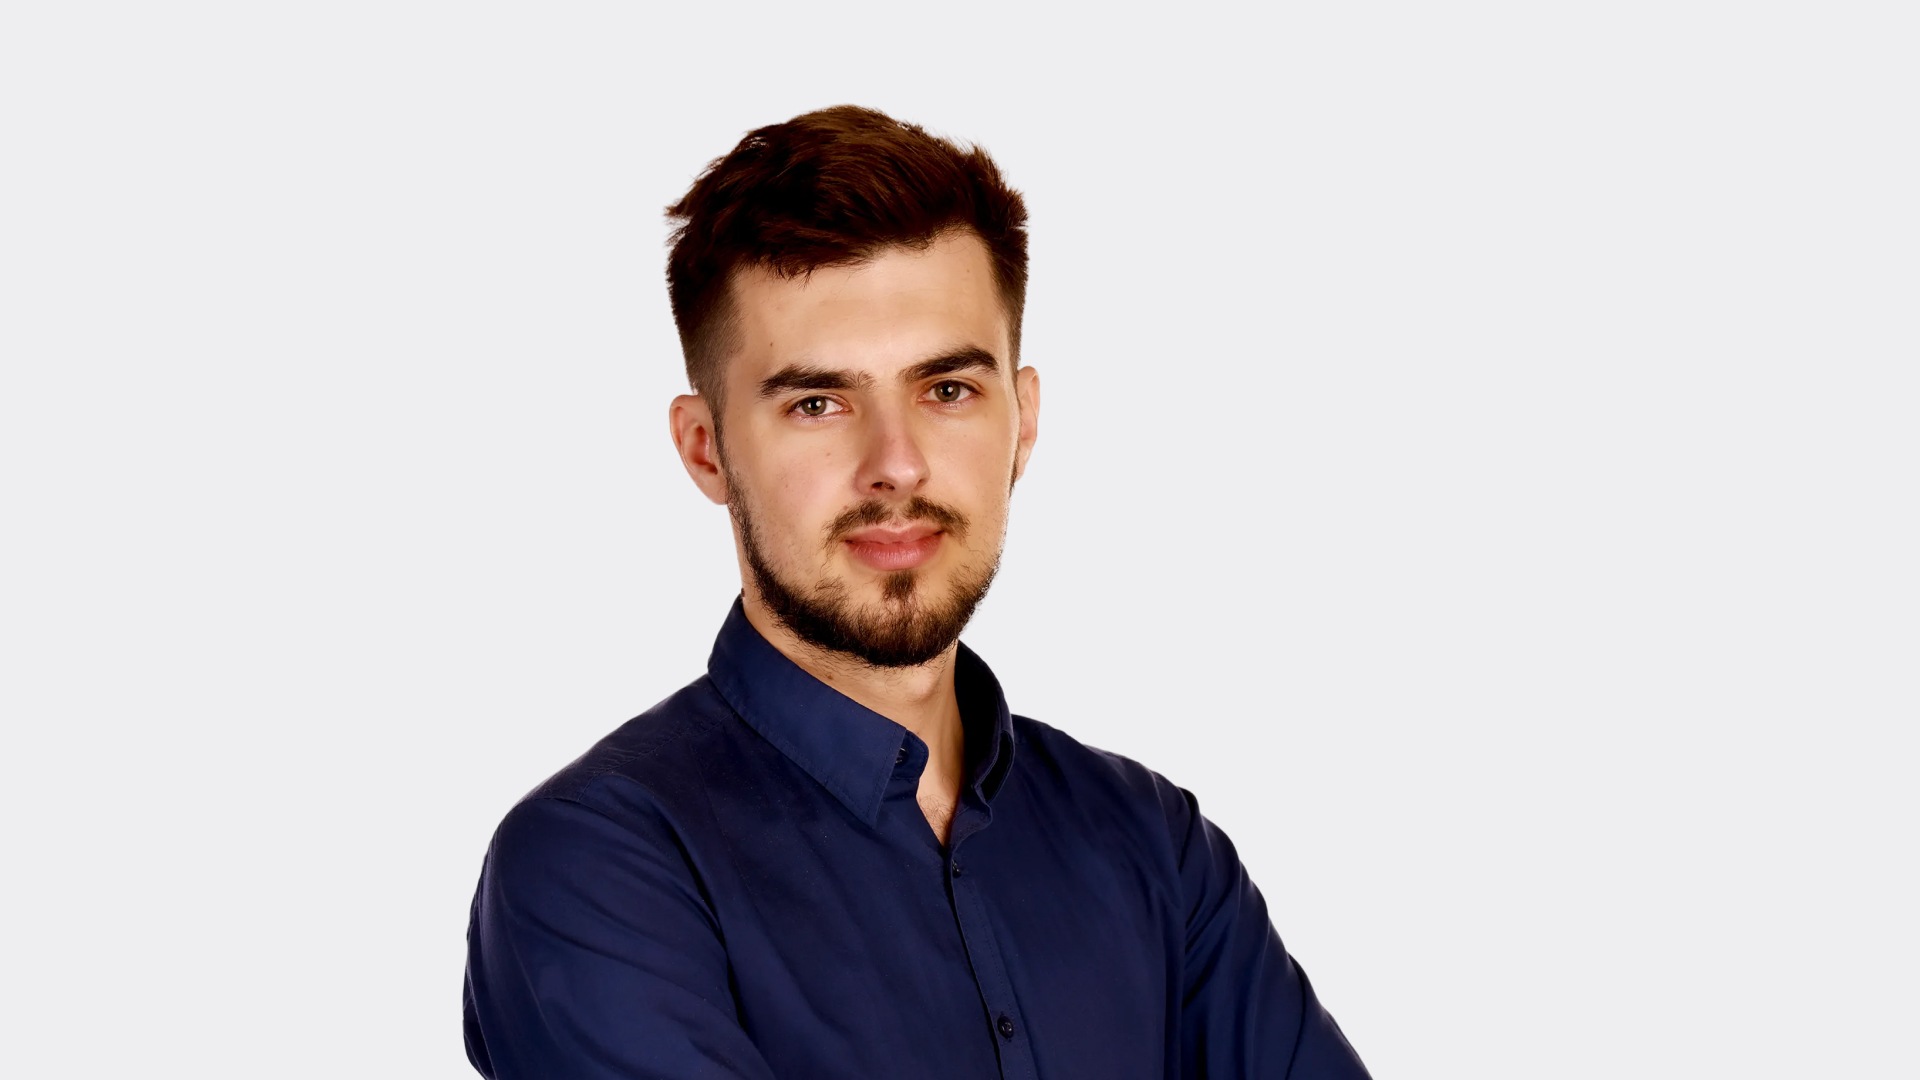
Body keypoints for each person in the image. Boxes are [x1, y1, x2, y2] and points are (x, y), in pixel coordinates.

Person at [462, 104, 1371, 1080]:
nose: (895, 463)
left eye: (947, 390)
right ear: (705, 448)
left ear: (1022, 421)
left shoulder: (1153, 843)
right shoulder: (596, 866)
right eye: (819, 403)